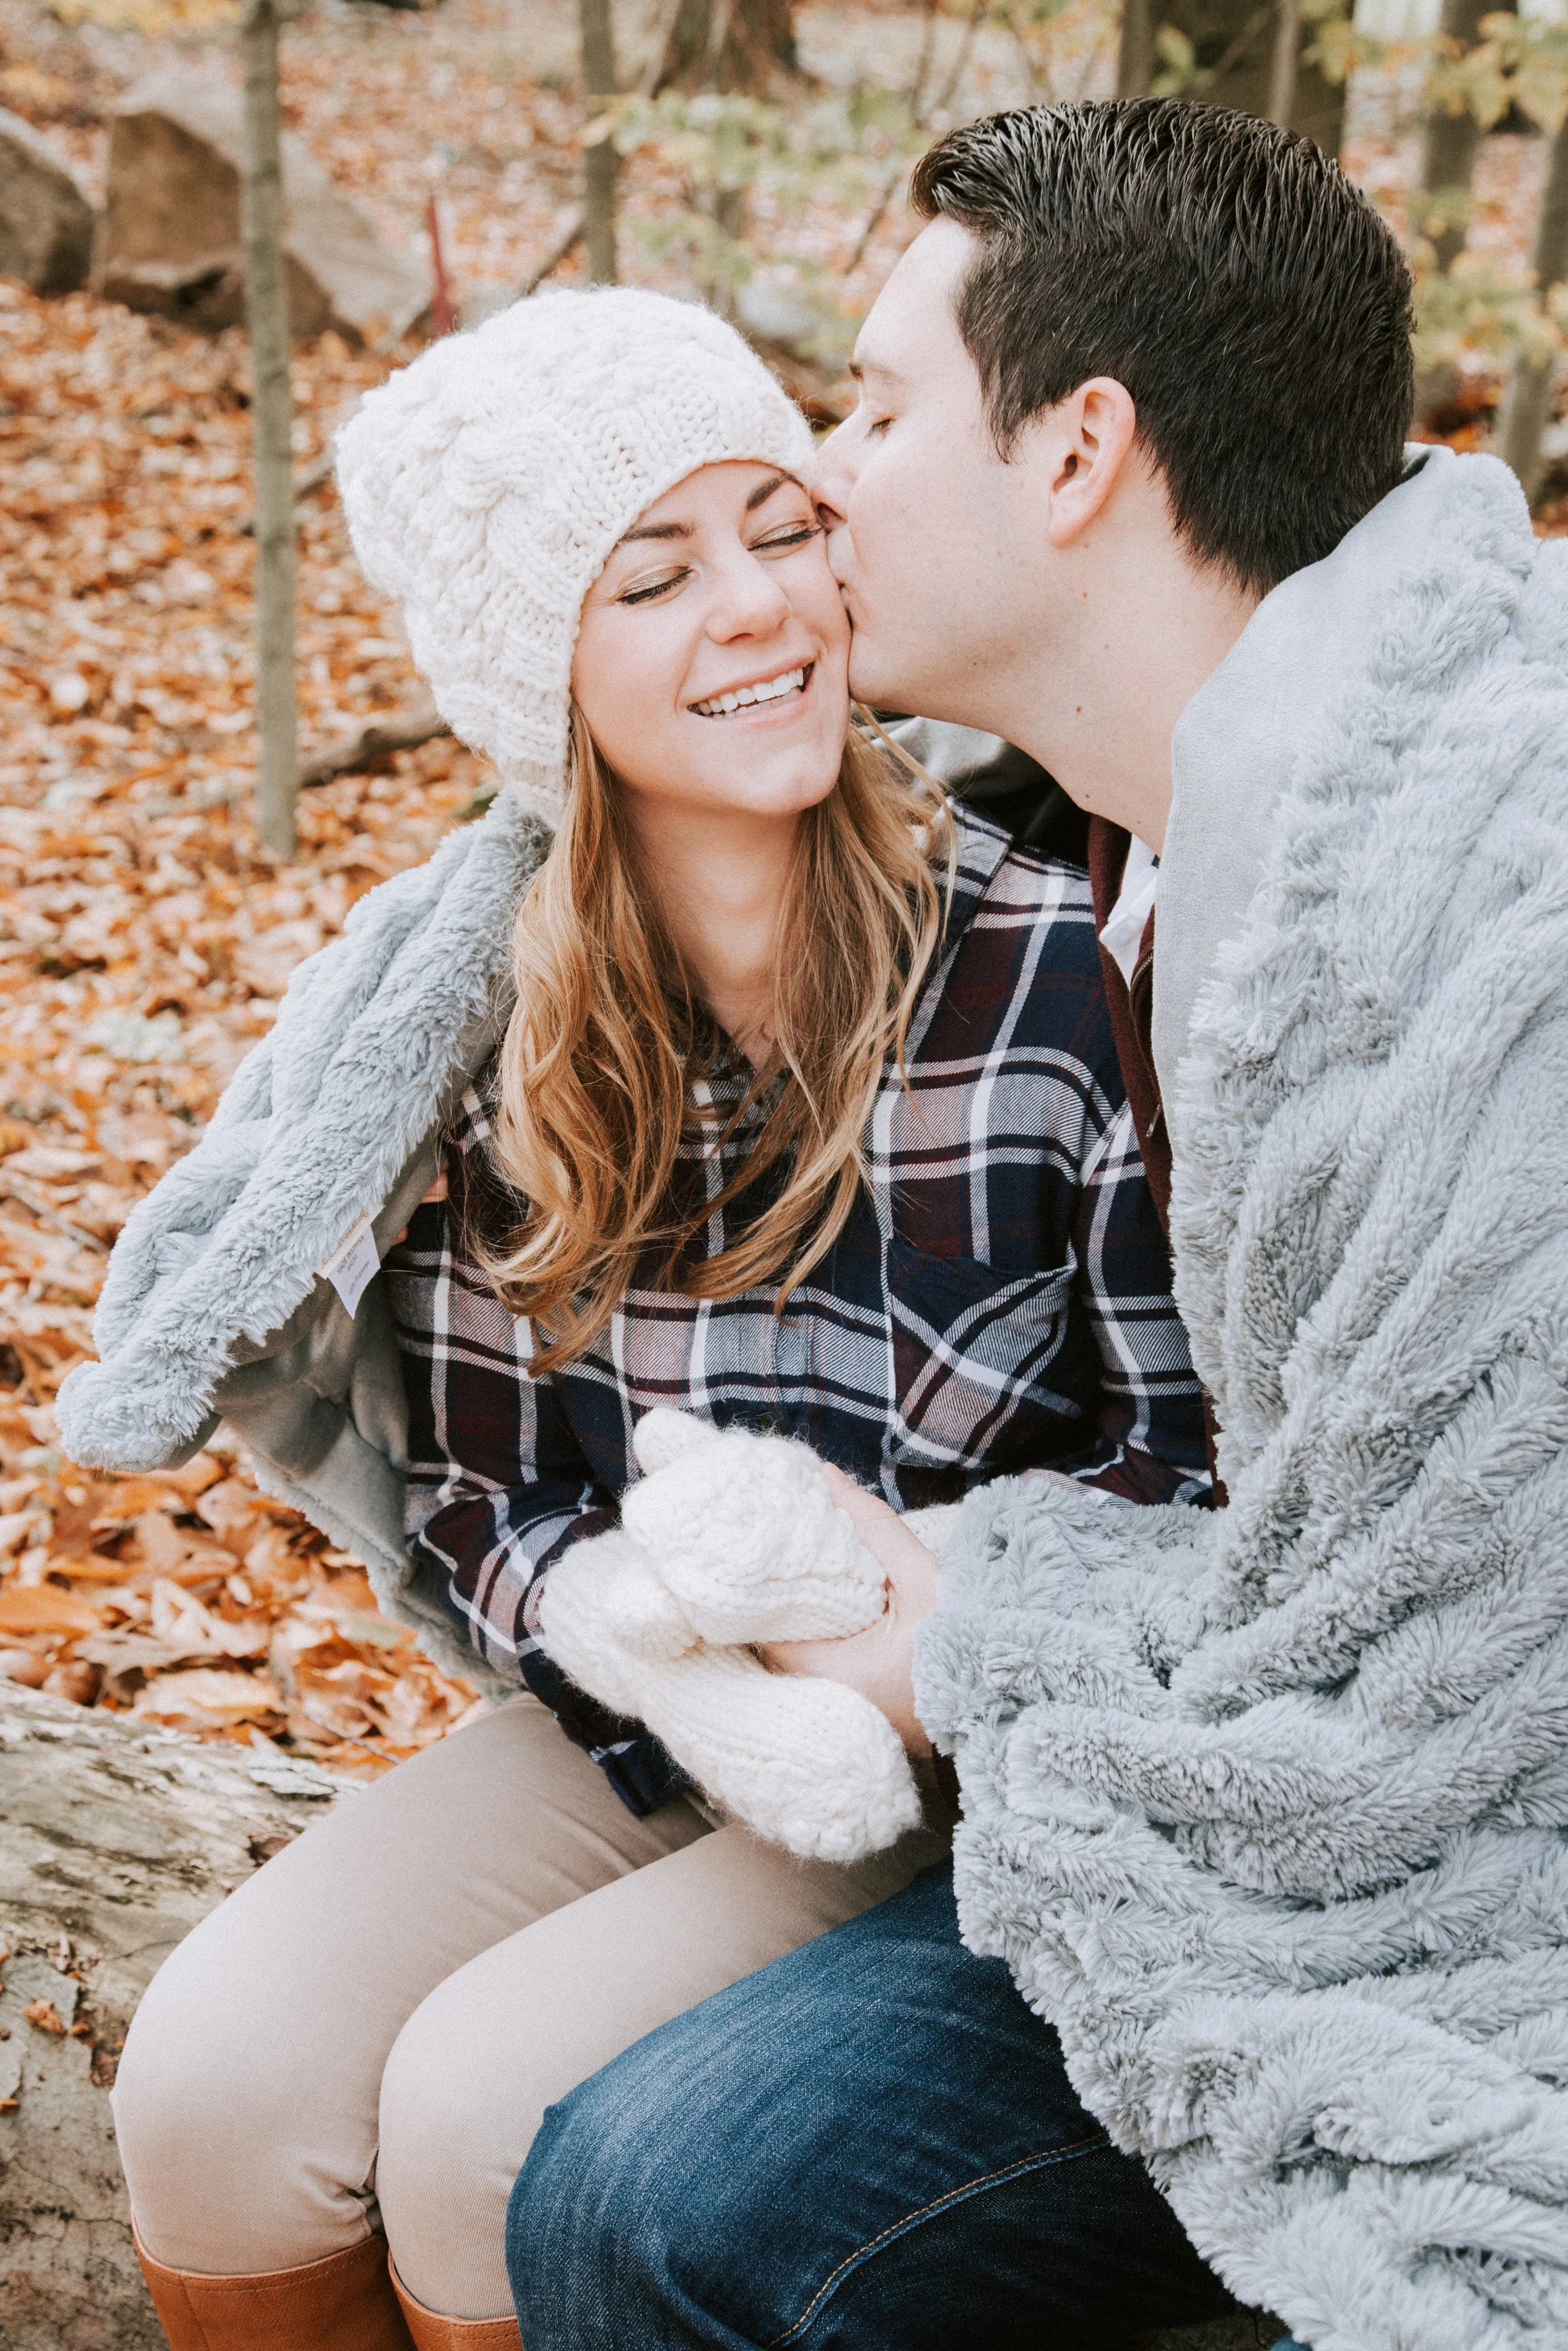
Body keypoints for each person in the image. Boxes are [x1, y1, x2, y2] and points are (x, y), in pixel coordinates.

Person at [498, 99, 1568, 2351]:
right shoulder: (1093, 831)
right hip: (1200, 1759)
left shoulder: (1487, 909)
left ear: (1076, 453)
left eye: (876, 405)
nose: (817, 475)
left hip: (1468, 1893)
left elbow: (1461, 1688)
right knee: (629, 2190)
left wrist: (963, 1628)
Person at [69, 283, 1213, 2351]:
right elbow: (482, 1490)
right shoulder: (511, 1019)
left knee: (477, 2114)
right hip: (654, 1721)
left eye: (782, 527)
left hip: (959, 1757)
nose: (757, 610)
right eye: (655, 575)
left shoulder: (1054, 971)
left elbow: (1189, 1467)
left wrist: (905, 1643)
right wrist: (612, 1639)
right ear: (543, 671)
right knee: (216, 2085)